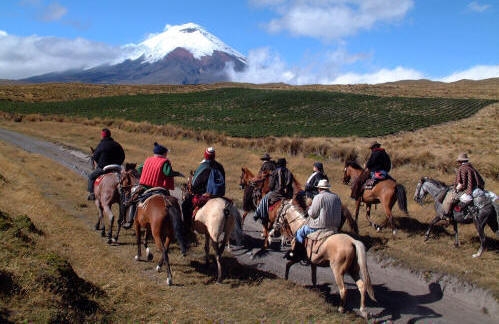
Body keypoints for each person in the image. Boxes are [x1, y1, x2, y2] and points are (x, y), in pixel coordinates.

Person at [122, 142, 183, 229]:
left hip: (146, 187)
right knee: (171, 203)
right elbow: (168, 172)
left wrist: (147, 174)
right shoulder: (165, 162)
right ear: (163, 153)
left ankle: (130, 221)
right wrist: (177, 173)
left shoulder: (148, 160)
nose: (167, 154)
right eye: (166, 153)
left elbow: (139, 169)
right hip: (160, 187)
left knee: (134, 199)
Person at [286, 179, 342, 261]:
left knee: (300, 232)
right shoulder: (336, 197)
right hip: (335, 226)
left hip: (320, 226)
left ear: (319, 188)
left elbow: (312, 214)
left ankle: (299, 254)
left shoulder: (318, 197)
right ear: (328, 188)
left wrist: (309, 208)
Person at [442, 152, 485, 218]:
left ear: (460, 161)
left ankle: (449, 215)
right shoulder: (471, 168)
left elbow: (462, 184)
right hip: (475, 188)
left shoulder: (461, 169)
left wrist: (456, 189)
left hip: (466, 190)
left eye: (458, 161)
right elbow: (479, 180)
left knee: (451, 199)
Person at [87, 128, 125, 200]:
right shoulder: (117, 144)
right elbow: (123, 156)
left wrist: (100, 163)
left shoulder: (101, 145)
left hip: (104, 169)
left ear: (102, 136)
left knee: (91, 177)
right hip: (117, 168)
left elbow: (95, 157)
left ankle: (91, 194)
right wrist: (118, 164)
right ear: (110, 135)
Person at [253, 158, 294, 224]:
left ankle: (259, 215)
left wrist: (271, 188)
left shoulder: (276, 172)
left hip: (277, 193)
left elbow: (271, 185)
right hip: (288, 194)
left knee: (264, 199)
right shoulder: (289, 172)